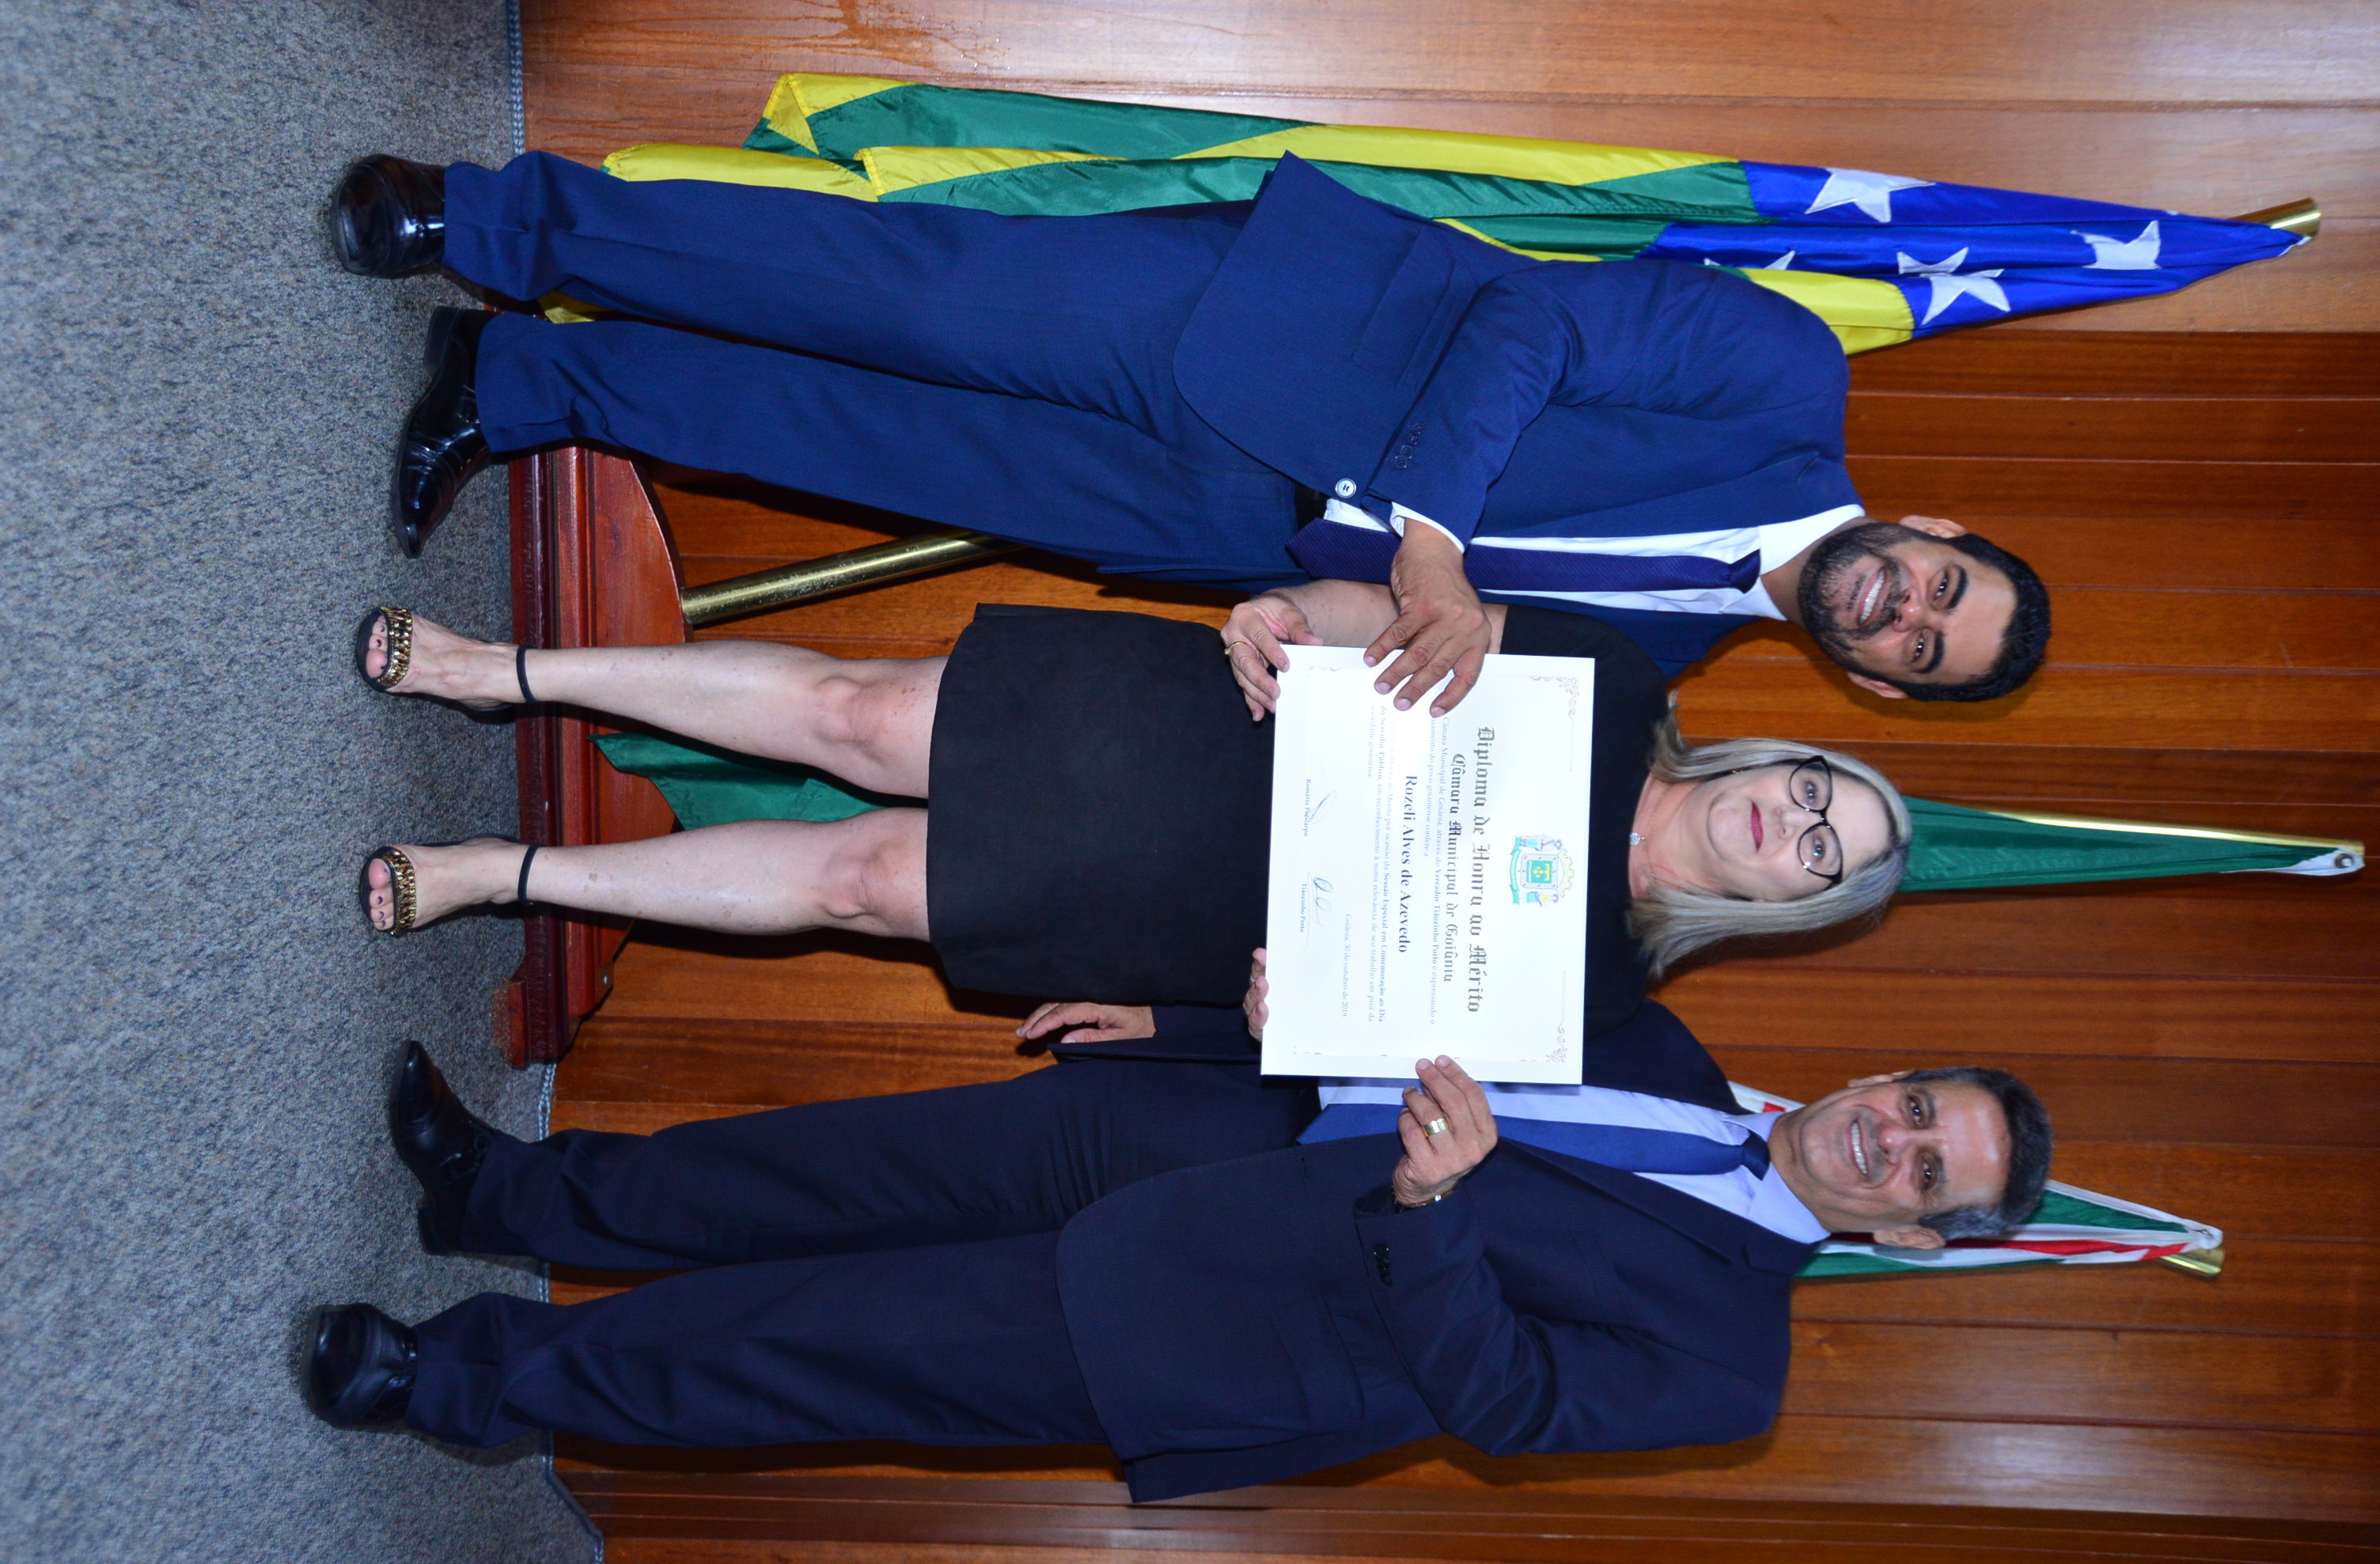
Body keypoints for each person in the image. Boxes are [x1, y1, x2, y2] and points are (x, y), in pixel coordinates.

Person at [327, 151, 2051, 710]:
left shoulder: (1659, 663)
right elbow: (1531, 319)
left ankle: (512, 385)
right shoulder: (1785, 380)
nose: (1901, 608)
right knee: (891, 292)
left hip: (1219, 520)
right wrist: (1434, 541)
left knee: (853, 442)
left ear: (1882, 687)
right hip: (1266, 326)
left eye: (1920, 646)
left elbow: (1418, 636)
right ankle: (485, 222)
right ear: (1942, 531)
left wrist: (1301, 624)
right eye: (1939, 587)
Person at [304, 1024, 2051, 1498]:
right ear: (1888, 1073)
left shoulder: (1733, 1368)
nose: (1890, 1139)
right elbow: (1412, 989)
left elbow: (1507, 1406)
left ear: (1912, 1233)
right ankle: (505, 1194)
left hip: (1202, 1325)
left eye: (1925, 1172)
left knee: (800, 1341)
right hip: (1198, 1123)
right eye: (1917, 1106)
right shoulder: (1664, 1046)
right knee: (813, 1171)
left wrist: (1438, 1209)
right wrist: (1192, 1017)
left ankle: (457, 1381)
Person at [351, 596, 1911, 1034]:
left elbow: (1376, 1053)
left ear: (1797, 907)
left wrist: (1246, 1024)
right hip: (1212, 724)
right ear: (1782, 756)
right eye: (1815, 790)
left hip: (1186, 913)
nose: (1793, 824)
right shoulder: (1620, 682)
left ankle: (507, 875)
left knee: (859, 884)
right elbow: (1400, 612)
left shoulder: (1605, 989)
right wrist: (1292, 610)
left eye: (1821, 855)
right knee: (852, 714)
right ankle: (504, 670)